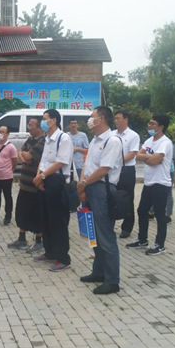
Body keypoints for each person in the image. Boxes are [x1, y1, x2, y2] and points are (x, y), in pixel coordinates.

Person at [78, 106, 123, 294]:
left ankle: (112, 281)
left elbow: (104, 169)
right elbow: (88, 165)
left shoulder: (112, 141)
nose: (90, 120)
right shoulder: (95, 140)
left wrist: (84, 183)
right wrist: (82, 185)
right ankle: (98, 272)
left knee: (105, 235)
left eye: (92, 116)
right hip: (90, 187)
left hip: (102, 189)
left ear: (102, 119)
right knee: (93, 234)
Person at [32, 109, 74, 272]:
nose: (42, 122)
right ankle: (49, 252)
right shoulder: (47, 138)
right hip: (44, 180)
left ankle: (63, 258)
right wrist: (38, 177)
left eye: (45, 119)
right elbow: (43, 161)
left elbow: (60, 162)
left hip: (56, 181)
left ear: (54, 120)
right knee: (46, 218)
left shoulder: (64, 138)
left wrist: (42, 176)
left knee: (58, 221)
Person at [127, 114, 173, 256]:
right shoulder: (149, 141)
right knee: (142, 210)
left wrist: (148, 158)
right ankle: (142, 240)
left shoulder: (165, 142)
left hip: (161, 183)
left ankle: (160, 245)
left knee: (159, 214)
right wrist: (150, 157)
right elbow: (139, 155)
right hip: (149, 182)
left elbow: (154, 161)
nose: (149, 126)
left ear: (161, 127)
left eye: (153, 124)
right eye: (149, 123)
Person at [7, 118, 46, 252]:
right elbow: (21, 153)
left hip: (35, 185)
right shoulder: (30, 139)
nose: (29, 127)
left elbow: (28, 156)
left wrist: (25, 156)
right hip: (24, 184)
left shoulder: (43, 141)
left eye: (31, 125)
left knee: (36, 213)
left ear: (39, 128)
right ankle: (21, 239)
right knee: (22, 211)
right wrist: (24, 156)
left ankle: (39, 241)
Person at [112, 110, 141, 238]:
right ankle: (110, 225)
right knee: (112, 196)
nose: (116, 121)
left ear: (126, 119)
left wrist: (116, 161)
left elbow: (132, 153)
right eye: (115, 118)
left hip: (126, 170)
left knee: (127, 198)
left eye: (118, 118)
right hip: (112, 170)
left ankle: (127, 228)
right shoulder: (112, 134)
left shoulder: (133, 135)